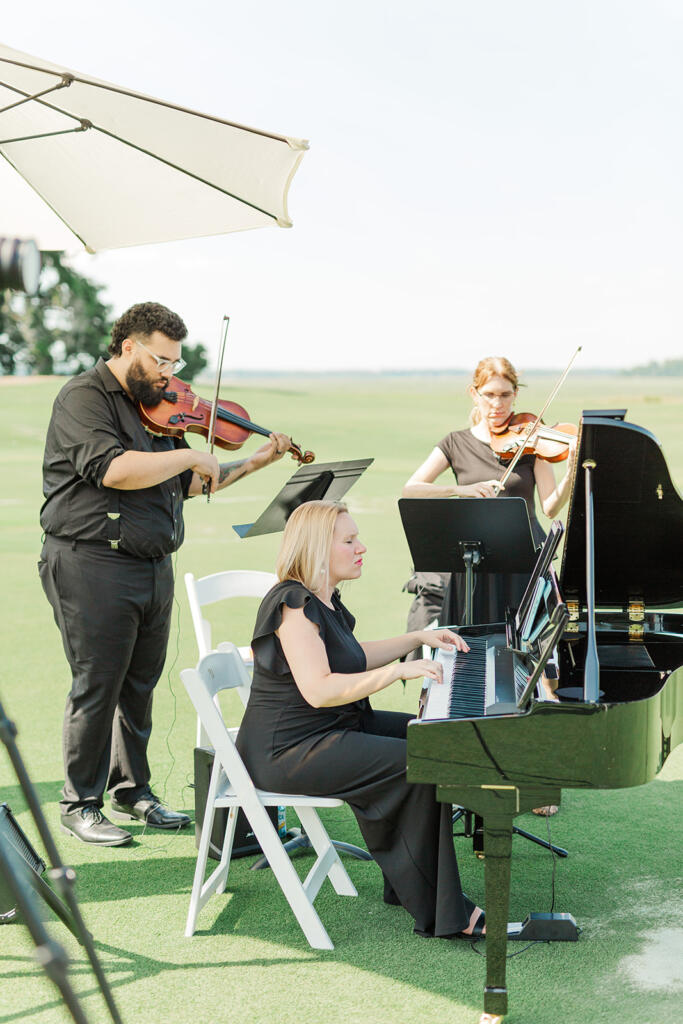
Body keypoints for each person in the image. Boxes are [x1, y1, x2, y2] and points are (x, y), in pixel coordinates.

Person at [39, 301, 294, 847]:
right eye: (160, 360)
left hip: (151, 563)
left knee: (140, 684)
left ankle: (132, 790)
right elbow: (114, 469)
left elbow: (192, 483)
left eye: (175, 364)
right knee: (97, 682)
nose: (168, 374)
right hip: (91, 559)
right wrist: (188, 459)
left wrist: (255, 461)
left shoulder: (159, 405)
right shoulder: (83, 397)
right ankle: (79, 803)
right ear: (128, 346)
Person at [235, 499, 486, 940]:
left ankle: (408, 882)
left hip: (327, 730)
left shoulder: (322, 600)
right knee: (418, 763)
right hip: (288, 752)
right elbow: (320, 689)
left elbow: (353, 655)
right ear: (317, 548)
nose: (362, 548)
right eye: (349, 541)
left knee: (429, 739)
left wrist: (416, 638)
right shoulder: (293, 603)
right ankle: (441, 910)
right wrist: (397, 672)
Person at [402, 355, 577, 630]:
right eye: (489, 395)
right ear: (474, 394)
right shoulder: (455, 442)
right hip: (473, 564)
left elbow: (550, 507)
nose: (498, 404)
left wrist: (570, 475)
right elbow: (411, 490)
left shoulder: (532, 440)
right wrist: (461, 489)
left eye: (506, 395)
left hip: (521, 562)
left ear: (516, 394)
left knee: (527, 648)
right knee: (468, 648)